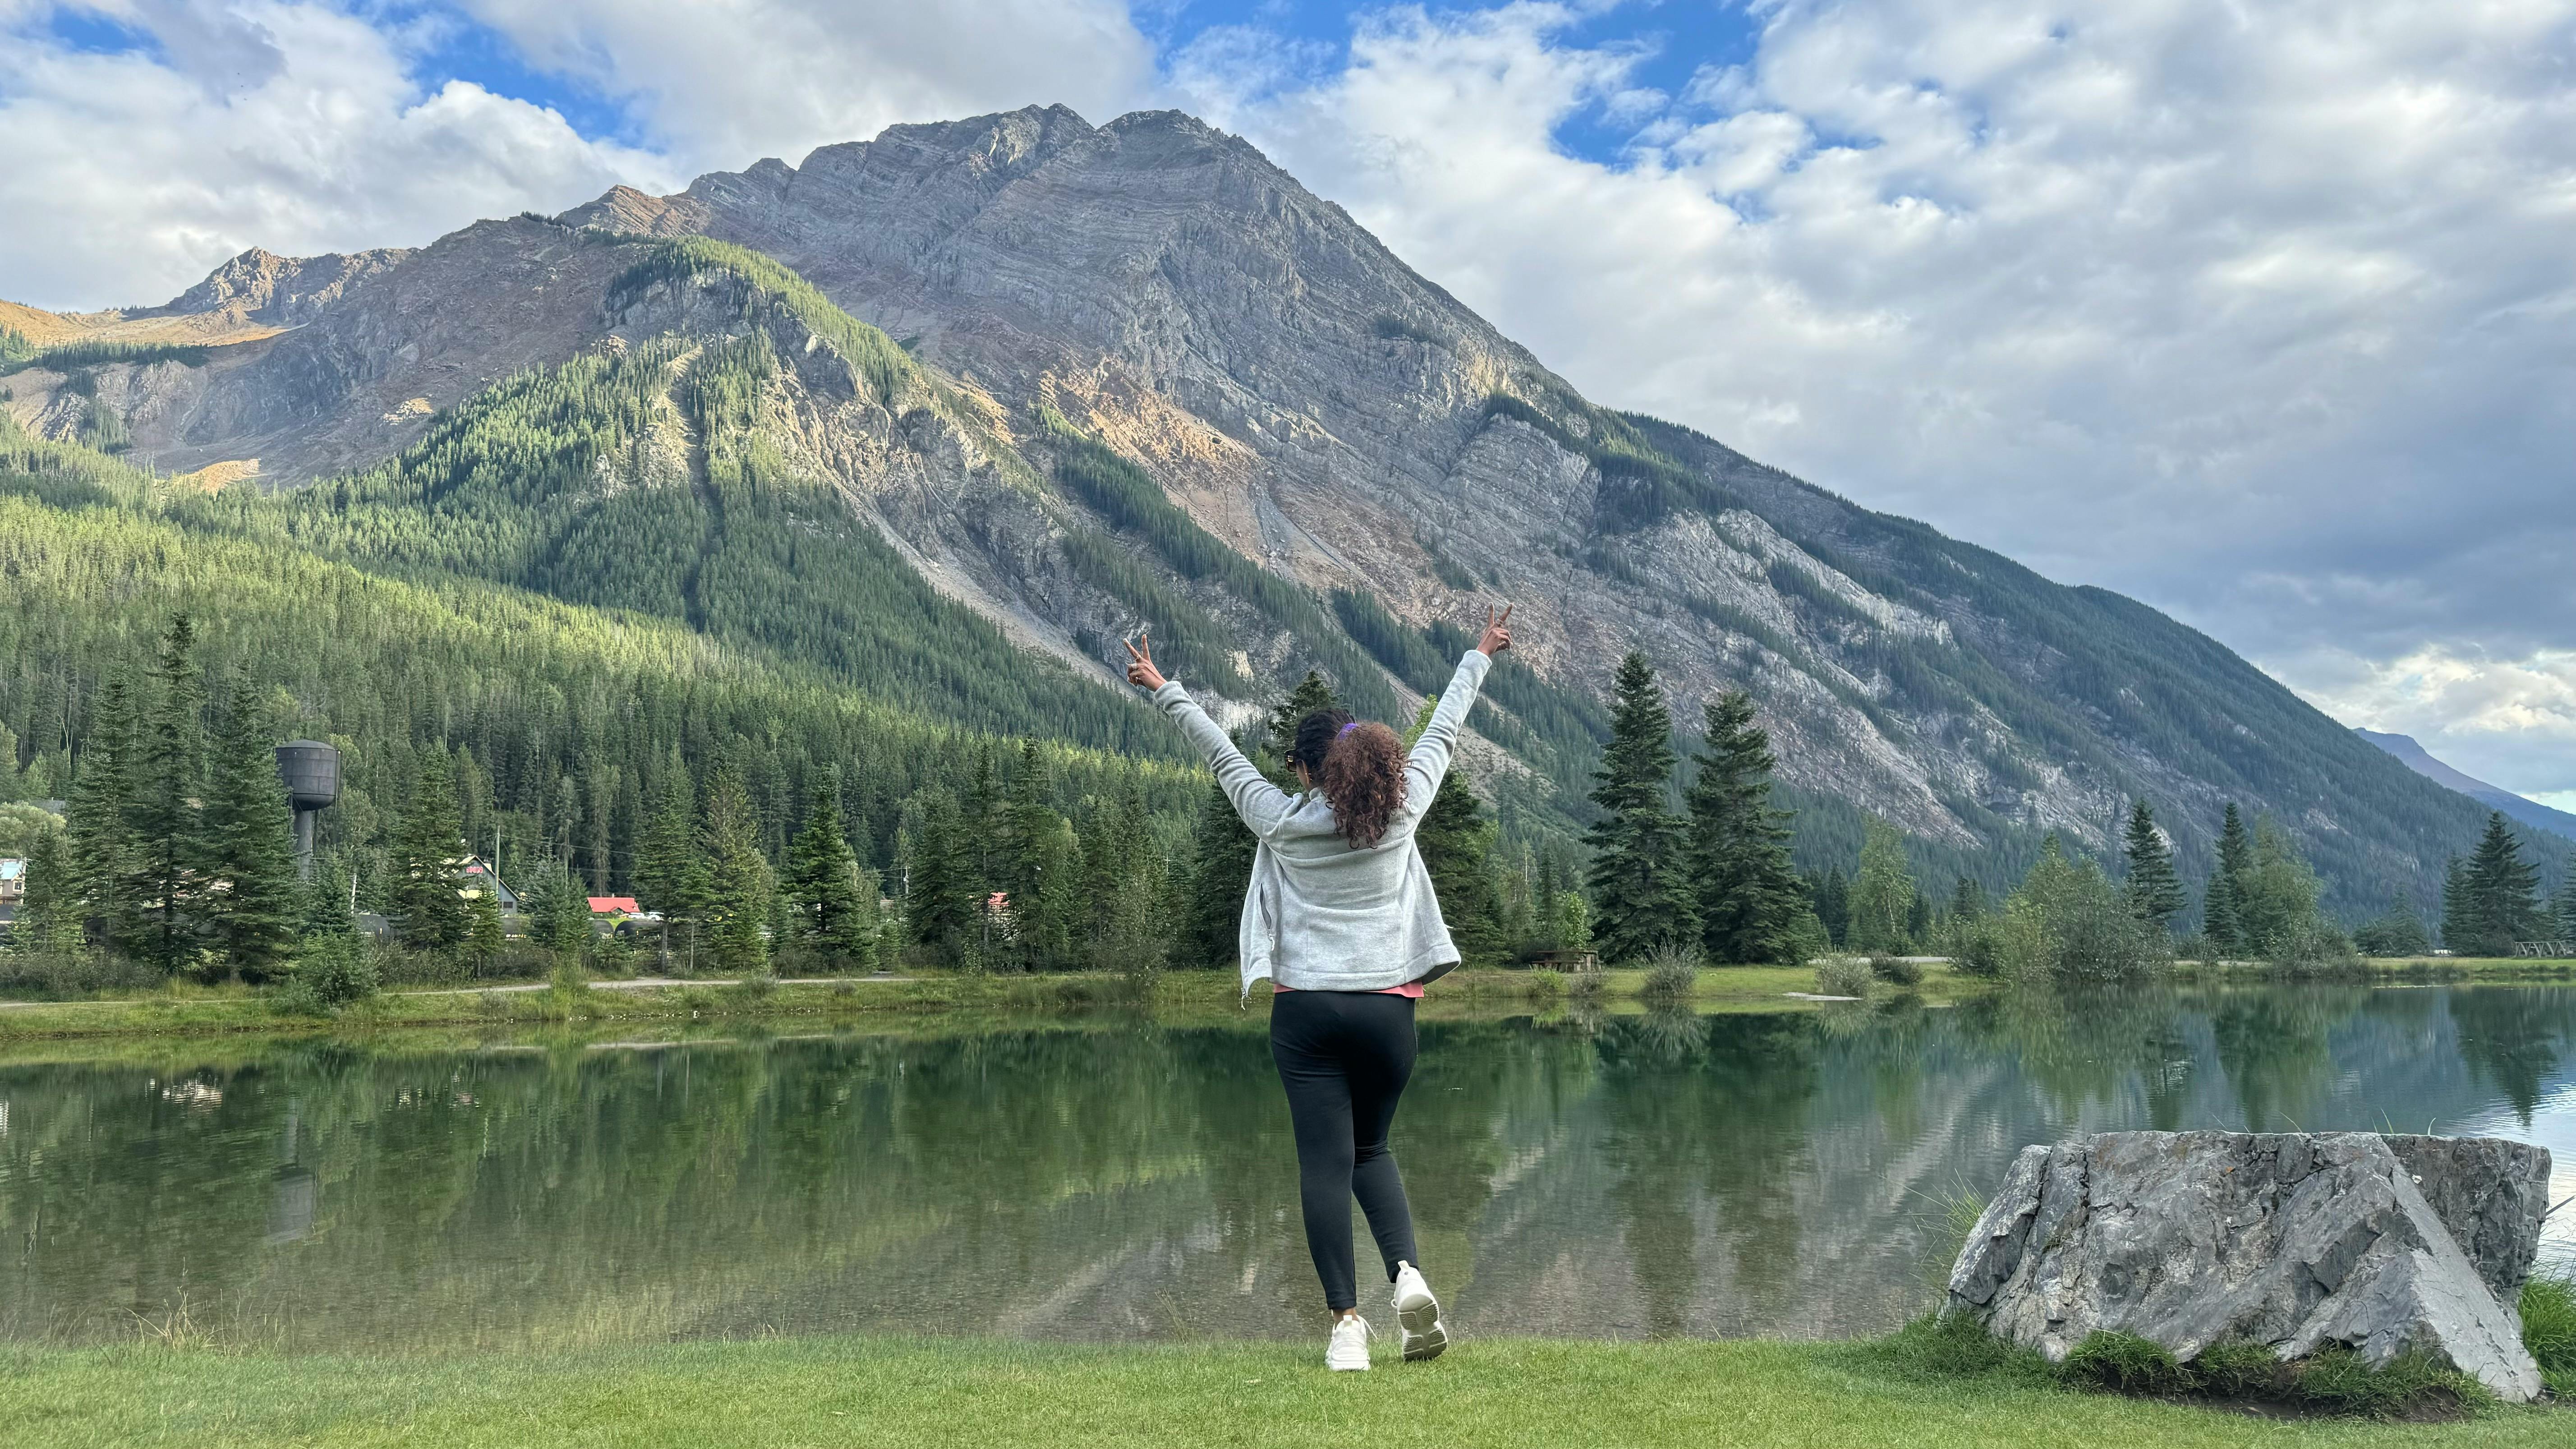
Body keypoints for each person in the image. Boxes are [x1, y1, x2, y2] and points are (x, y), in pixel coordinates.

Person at [1125, 604, 1514, 1372]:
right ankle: (1407, 1275)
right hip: (1389, 1014)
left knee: (1324, 1164)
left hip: (1306, 1014)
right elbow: (1443, 732)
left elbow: (1220, 753)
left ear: (1307, 771)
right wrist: (1480, 654)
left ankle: (1346, 1325)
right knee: (1373, 1146)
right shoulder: (1403, 813)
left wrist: (1161, 685)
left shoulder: (1279, 819)